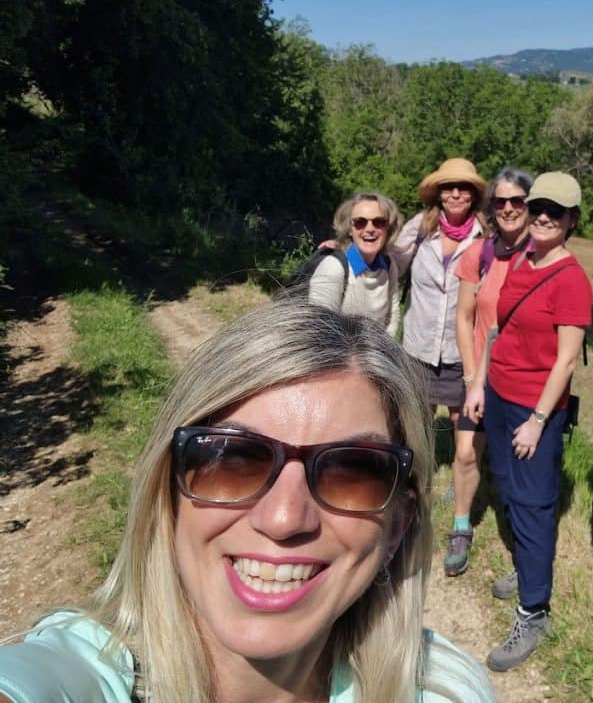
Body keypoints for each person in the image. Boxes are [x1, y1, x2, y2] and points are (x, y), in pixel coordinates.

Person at [0, 300, 496, 703]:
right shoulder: (82, 672)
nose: (284, 518)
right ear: (168, 491)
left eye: (351, 472)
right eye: (233, 460)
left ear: (397, 526)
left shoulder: (441, 688)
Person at [464, 172, 592, 673]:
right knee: (510, 489)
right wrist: (479, 384)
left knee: (535, 503)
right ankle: (527, 568)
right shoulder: (521, 260)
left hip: (534, 407)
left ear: (572, 220)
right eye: (537, 207)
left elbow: (566, 361)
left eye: (554, 212)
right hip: (499, 394)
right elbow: (498, 330)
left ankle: (533, 612)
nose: (542, 217)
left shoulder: (571, 280)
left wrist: (538, 420)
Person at [444, 168, 533, 577]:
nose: (509, 208)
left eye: (518, 201)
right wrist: (469, 378)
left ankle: (523, 541)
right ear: (491, 207)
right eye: (501, 201)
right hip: (479, 380)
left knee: (517, 466)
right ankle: (461, 526)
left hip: (521, 381)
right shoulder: (478, 255)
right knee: (465, 452)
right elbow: (464, 318)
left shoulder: (542, 257)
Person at [393, 158, 488, 428]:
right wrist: (343, 247)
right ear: (439, 194)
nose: (455, 194)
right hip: (419, 348)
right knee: (417, 424)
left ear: (474, 194)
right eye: (448, 187)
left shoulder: (485, 237)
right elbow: (390, 261)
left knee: (465, 423)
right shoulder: (420, 227)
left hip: (461, 351)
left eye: (463, 187)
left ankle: (463, 458)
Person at [308, 192, 403, 336]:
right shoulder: (334, 267)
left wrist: (386, 347)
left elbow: (392, 316)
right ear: (349, 229)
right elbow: (319, 329)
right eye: (360, 222)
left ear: (388, 228)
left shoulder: (389, 265)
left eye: (379, 222)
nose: (370, 229)